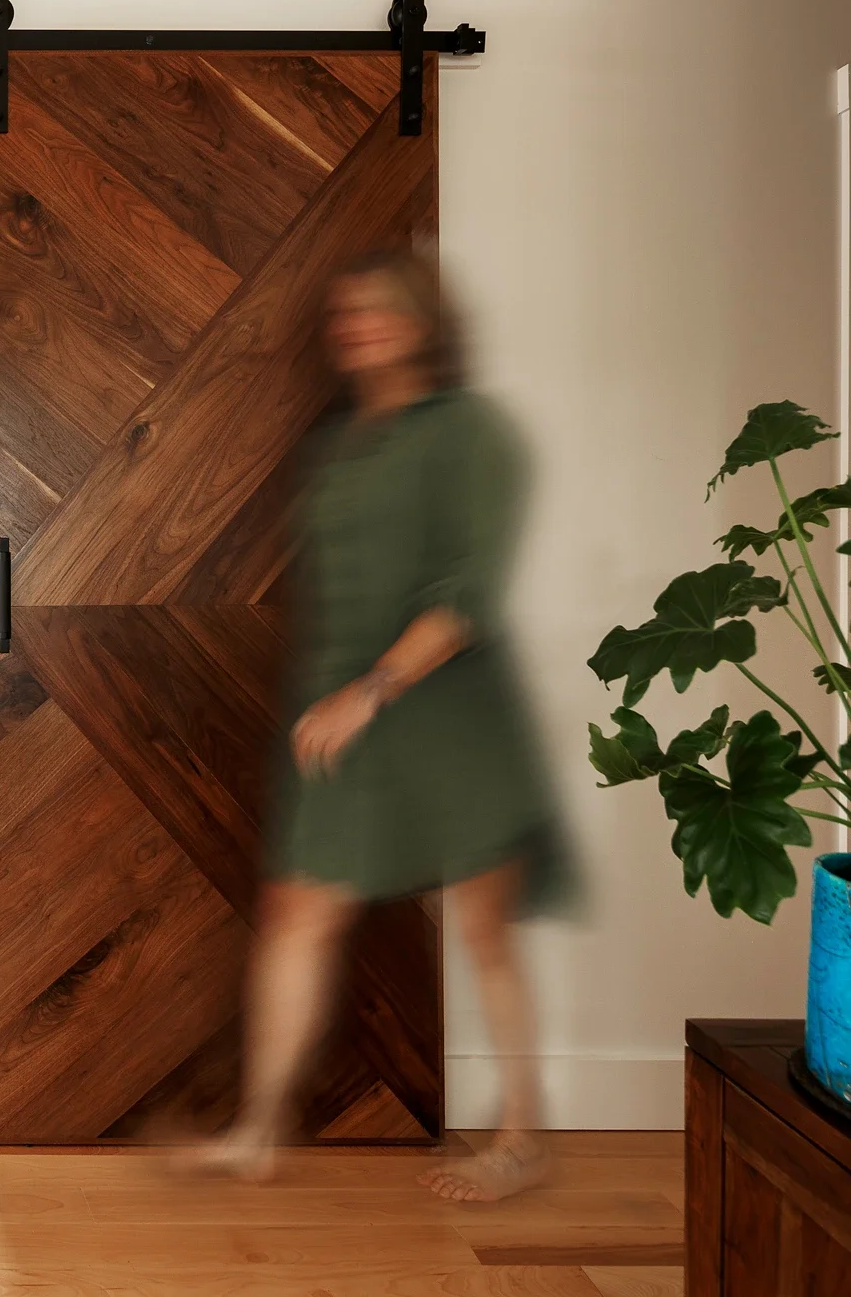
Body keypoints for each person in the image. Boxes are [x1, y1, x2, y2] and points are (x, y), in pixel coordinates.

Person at [201, 249, 574, 1202]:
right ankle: (256, 1130)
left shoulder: (475, 432)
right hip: (340, 719)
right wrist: (334, 700)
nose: (357, 326)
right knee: (297, 911)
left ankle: (520, 1140)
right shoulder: (335, 446)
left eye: (378, 309)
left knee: (484, 929)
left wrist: (374, 688)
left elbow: (470, 590)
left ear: (423, 323)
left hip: (452, 715)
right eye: (345, 313)